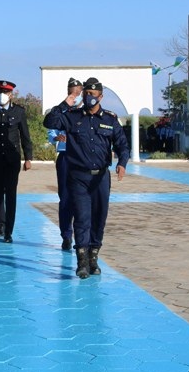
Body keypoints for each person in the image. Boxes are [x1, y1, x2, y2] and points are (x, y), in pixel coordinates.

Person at [43, 77, 130, 279]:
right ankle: (81, 261)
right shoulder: (72, 116)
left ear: (101, 96)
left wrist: (122, 163)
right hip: (78, 177)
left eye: (93, 94)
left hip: (100, 178)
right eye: (86, 94)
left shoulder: (110, 119)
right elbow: (49, 122)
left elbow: (122, 145)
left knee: (99, 218)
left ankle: (93, 257)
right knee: (82, 218)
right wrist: (68, 101)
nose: (90, 97)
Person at [0, 80, 33, 243]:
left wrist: (28, 158)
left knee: (10, 194)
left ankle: (9, 231)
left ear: (11, 95)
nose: (1, 95)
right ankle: (1, 224)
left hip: (12, 159)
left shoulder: (18, 112)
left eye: (5, 92)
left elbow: (25, 136)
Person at [47, 77, 83, 251]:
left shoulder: (86, 112)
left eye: (77, 92)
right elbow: (51, 130)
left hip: (82, 160)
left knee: (82, 199)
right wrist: (56, 137)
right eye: (71, 92)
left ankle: (81, 236)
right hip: (65, 158)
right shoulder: (60, 110)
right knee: (66, 198)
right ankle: (66, 236)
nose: (74, 95)